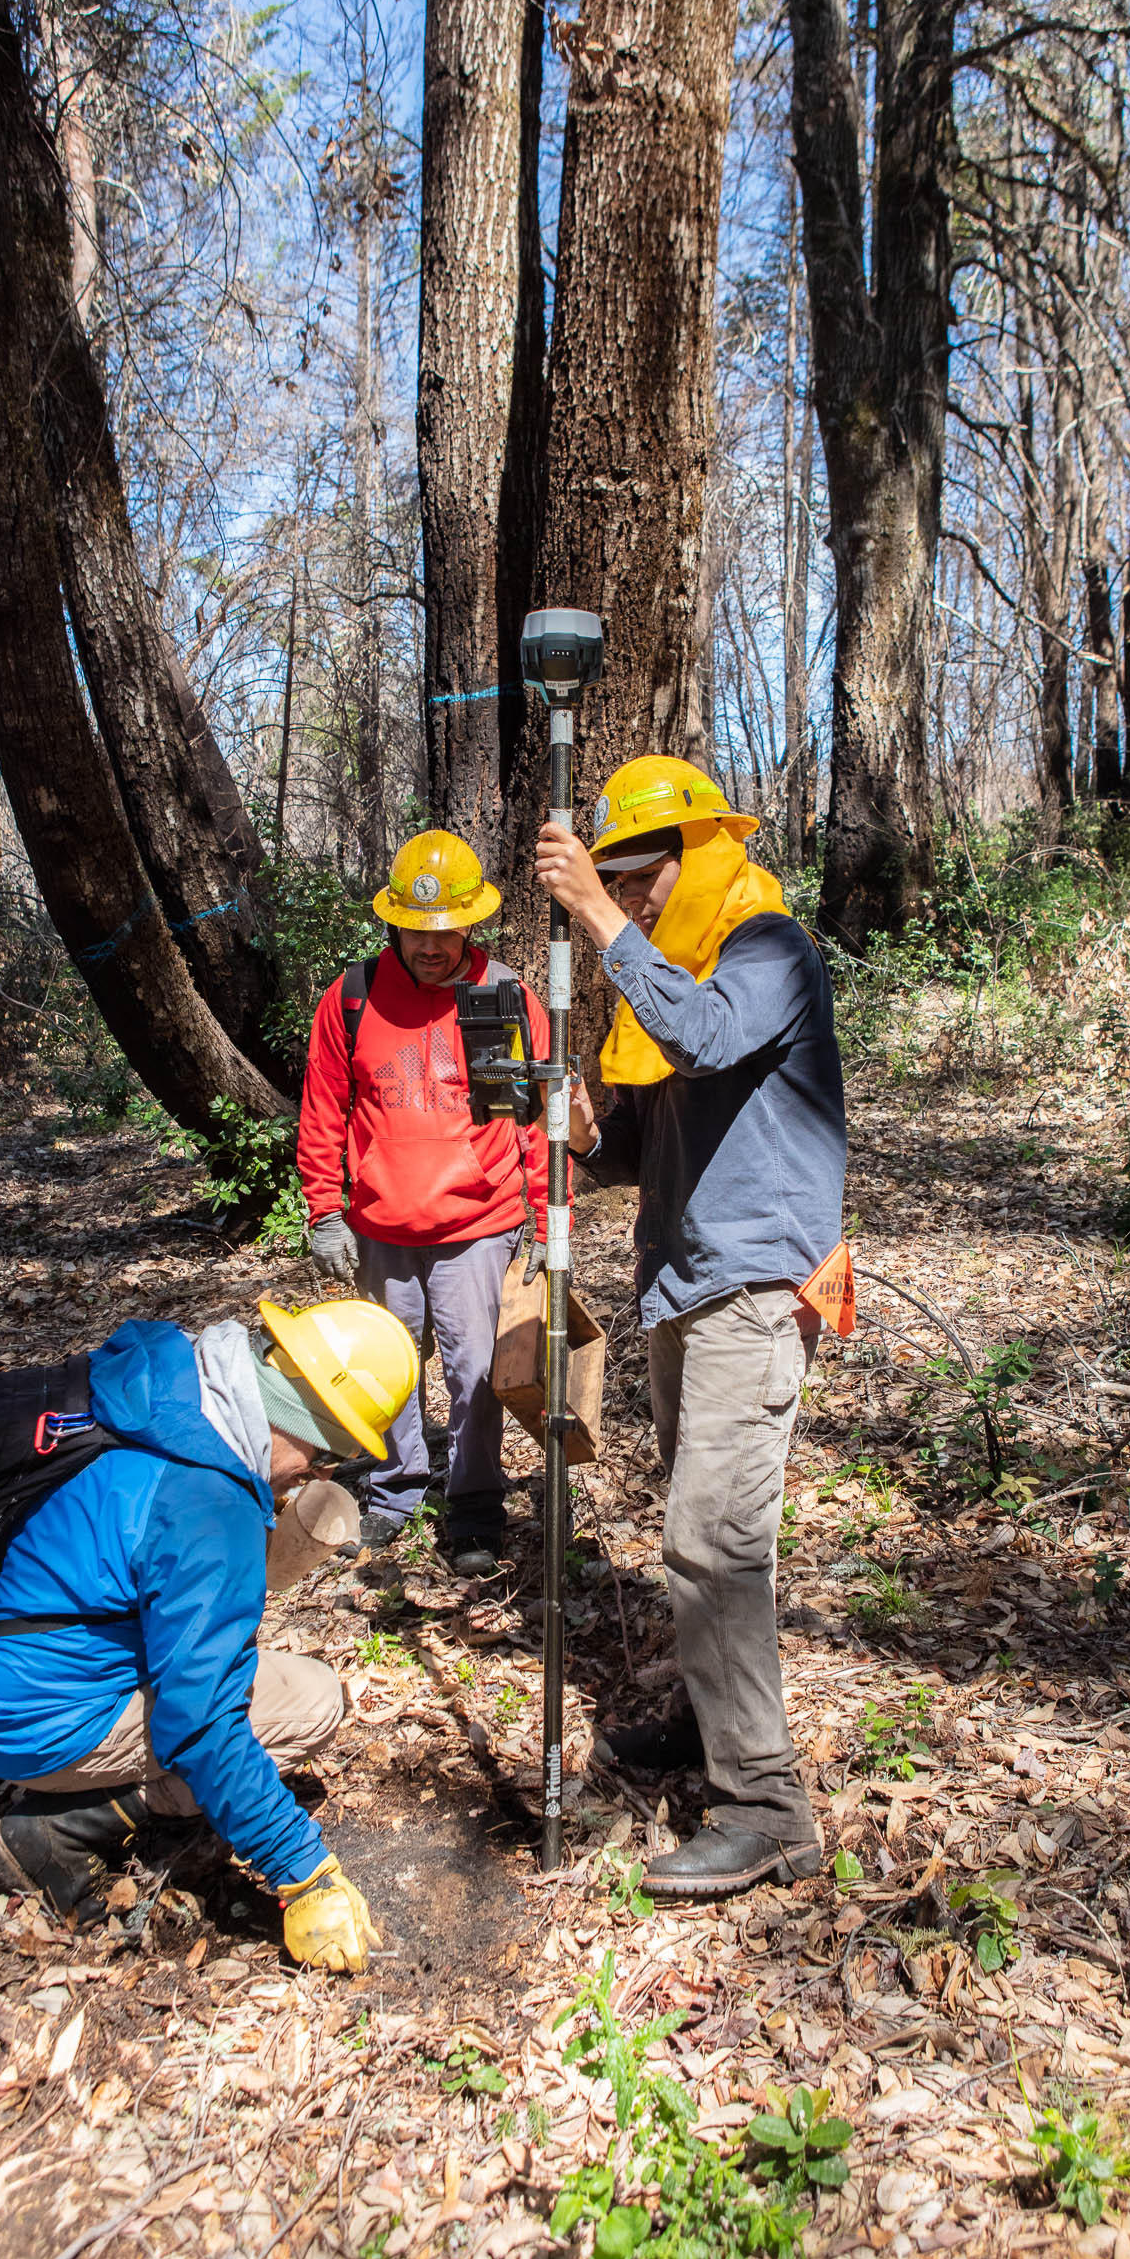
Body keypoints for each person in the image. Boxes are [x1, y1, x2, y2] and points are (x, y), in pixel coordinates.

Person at [534, 757, 848, 1900]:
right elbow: (650, 1144)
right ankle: (713, 1718)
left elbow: (711, 1038)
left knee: (715, 1543)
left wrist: (597, 916)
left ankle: (764, 1806)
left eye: (640, 872)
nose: (631, 892)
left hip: (753, 1292)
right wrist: (580, 1133)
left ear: (699, 848)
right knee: (694, 1528)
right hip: (681, 1286)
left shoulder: (766, 949)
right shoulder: (674, 967)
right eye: (613, 875)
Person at [0, 1298, 419, 1971]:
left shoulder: (164, 1387)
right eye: (319, 1460)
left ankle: (82, 1774)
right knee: (311, 1702)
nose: (309, 1479)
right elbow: (201, 1723)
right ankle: (64, 1827)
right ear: (295, 1420)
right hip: (31, 1717)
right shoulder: (207, 1498)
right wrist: (305, 1874)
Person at [297, 828, 550, 1578]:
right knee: (386, 1369)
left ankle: (474, 1506)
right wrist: (323, 1209)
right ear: (393, 921)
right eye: (417, 929)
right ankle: (394, 1490)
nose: (431, 945)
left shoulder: (504, 996)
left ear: (470, 922)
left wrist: (540, 1210)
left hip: (480, 1222)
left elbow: (535, 1110)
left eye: (445, 930)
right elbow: (322, 1110)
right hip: (380, 1224)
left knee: (476, 1373)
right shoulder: (351, 997)